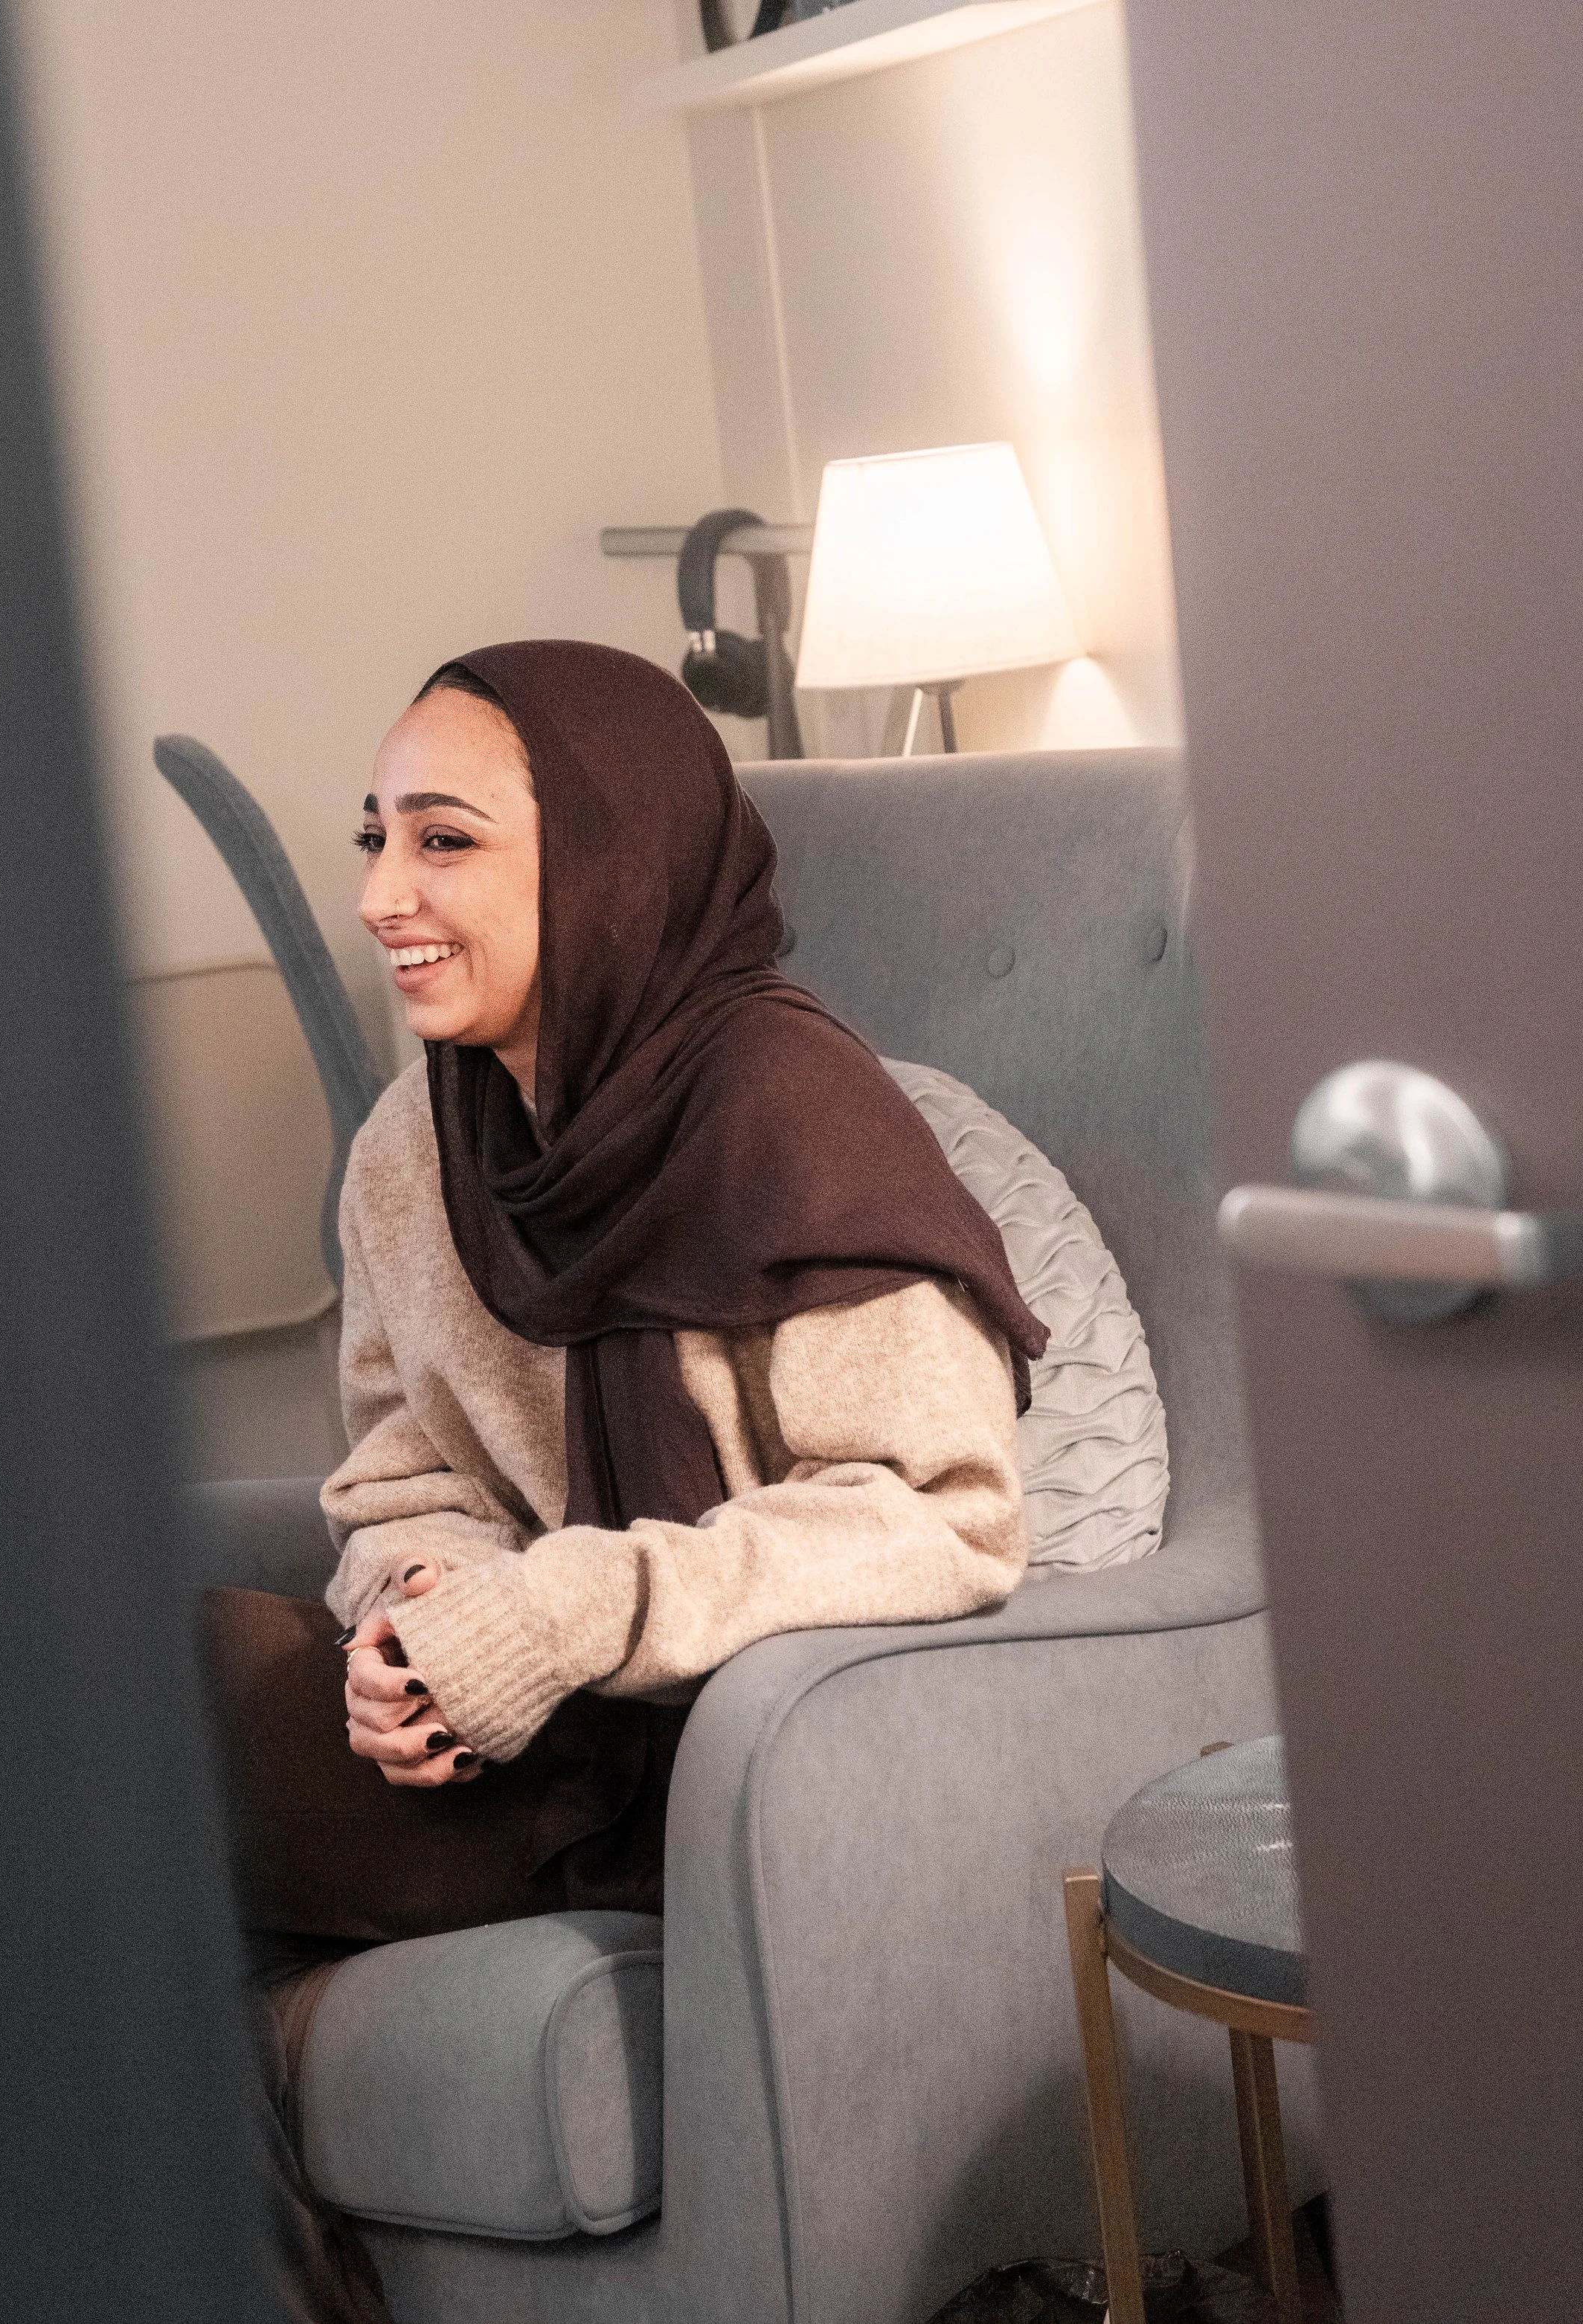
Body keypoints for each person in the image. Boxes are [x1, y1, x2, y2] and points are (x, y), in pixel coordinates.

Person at [204, 639, 1047, 2324]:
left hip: (710, 1769)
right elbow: (397, 1474)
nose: (383, 894)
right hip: (504, 1741)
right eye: (370, 835)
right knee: (51, 1726)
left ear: (601, 858)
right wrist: (417, 1613)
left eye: (443, 840)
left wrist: (555, 1613)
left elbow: (942, 1515)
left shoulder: (786, 1114)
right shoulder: (413, 1140)